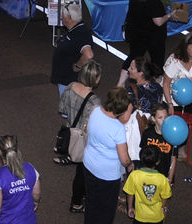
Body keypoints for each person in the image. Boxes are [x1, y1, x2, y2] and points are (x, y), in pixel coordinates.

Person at [81, 88, 136, 224]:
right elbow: (124, 159)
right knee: (106, 211)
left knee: (91, 203)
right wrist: (130, 164)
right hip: (107, 175)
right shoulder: (118, 128)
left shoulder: (95, 110)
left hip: (88, 164)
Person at [59, 61, 102, 210]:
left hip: (70, 132)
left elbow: (62, 108)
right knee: (83, 172)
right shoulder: (95, 101)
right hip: (84, 140)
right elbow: (94, 126)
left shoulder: (70, 87)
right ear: (95, 79)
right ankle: (76, 202)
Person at [0, 134, 41, 224]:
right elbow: (36, 193)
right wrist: (36, 201)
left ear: (0, 152)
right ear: (17, 150)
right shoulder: (30, 168)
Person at [124, 0, 168, 71]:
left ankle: (120, 82)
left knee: (133, 58)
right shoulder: (154, 0)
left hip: (136, 33)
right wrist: (169, 15)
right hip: (153, 35)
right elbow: (159, 22)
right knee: (157, 60)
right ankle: (156, 82)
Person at [52, 2, 96, 97]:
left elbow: (89, 55)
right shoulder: (75, 30)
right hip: (67, 79)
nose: (61, 18)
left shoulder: (80, 33)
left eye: (62, 15)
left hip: (70, 80)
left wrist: (77, 66)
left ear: (68, 18)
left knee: (69, 108)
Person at [163, 33, 192, 125]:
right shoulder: (174, 60)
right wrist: (169, 104)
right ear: (185, 47)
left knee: (184, 126)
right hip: (171, 98)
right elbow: (166, 83)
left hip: (188, 98)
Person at [122, 146, 171, 224]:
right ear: (157, 162)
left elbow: (130, 193)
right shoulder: (162, 179)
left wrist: (130, 207)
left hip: (139, 216)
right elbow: (165, 197)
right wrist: (162, 207)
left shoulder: (134, 175)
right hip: (156, 216)